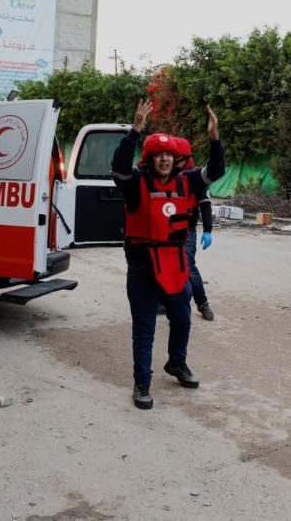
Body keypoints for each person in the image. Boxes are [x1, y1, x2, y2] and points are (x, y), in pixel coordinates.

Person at [111, 100, 225, 410]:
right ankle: (142, 383)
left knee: (182, 318)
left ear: (176, 160)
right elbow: (119, 166)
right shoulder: (136, 184)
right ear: (149, 159)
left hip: (175, 265)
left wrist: (215, 139)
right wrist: (135, 130)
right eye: (158, 154)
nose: (164, 158)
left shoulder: (186, 182)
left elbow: (216, 170)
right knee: (144, 327)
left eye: (169, 155)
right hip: (143, 267)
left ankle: (177, 363)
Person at [173, 137, 215, 321]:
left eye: (175, 158)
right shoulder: (168, 176)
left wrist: (208, 230)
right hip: (167, 230)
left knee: (188, 267)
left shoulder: (195, 177)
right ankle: (164, 301)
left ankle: (202, 303)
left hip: (187, 229)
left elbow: (205, 205)